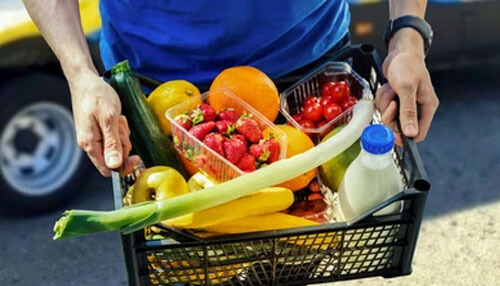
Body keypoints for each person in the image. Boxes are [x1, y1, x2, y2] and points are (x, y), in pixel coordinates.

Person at [23, 0, 438, 177]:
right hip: (159, 86)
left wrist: (408, 36)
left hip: (310, 72)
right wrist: (80, 74)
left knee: (303, 249)